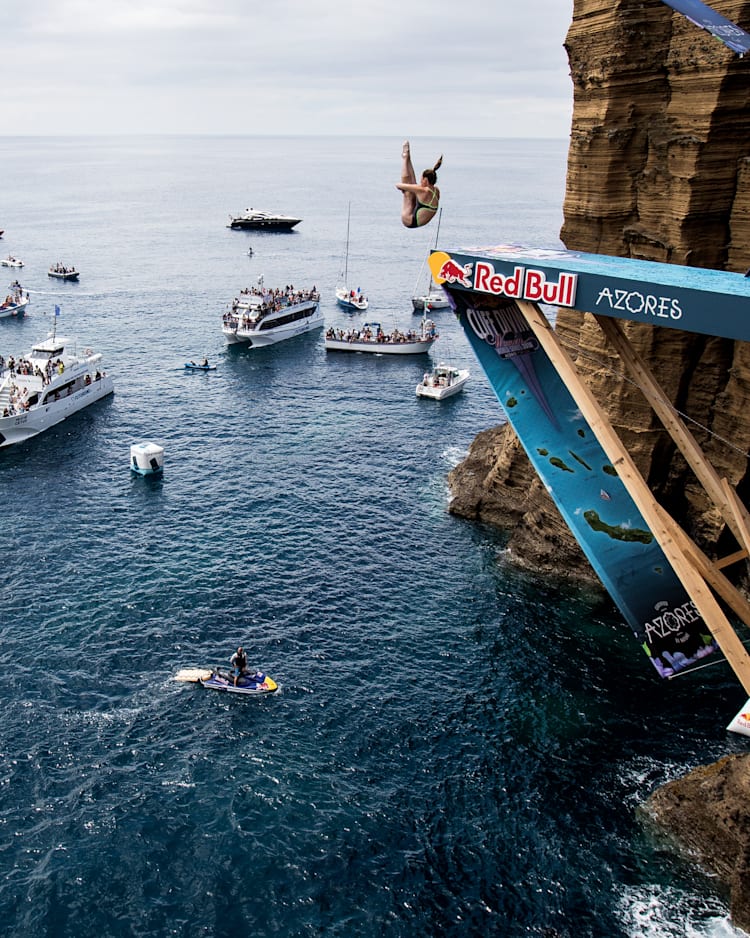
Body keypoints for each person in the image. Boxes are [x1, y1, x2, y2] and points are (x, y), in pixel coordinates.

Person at [396, 141, 442, 229]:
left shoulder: (423, 190)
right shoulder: (436, 190)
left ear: (425, 179)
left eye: (421, 178)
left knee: (408, 192)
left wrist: (408, 187)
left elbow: (398, 185)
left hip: (408, 220)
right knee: (413, 187)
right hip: (418, 218)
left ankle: (406, 159)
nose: (420, 180)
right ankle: (407, 158)